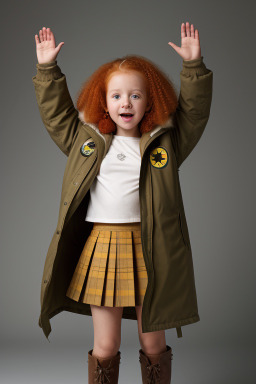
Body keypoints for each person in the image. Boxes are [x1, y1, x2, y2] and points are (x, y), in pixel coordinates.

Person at [33, 22, 213, 384]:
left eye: (135, 95)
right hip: (103, 246)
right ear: (103, 101)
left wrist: (193, 67)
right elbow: (57, 117)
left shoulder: (165, 143)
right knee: (105, 345)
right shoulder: (88, 141)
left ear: (151, 101)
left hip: (152, 248)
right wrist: (47, 69)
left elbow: (194, 116)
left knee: (153, 343)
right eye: (116, 96)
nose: (125, 103)